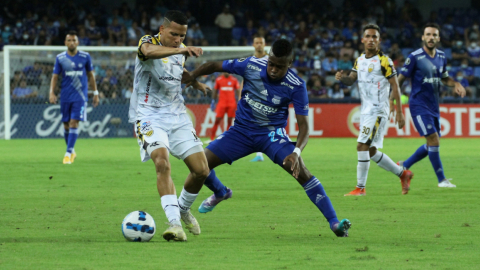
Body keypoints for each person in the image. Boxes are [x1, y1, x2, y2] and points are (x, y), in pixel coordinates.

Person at [183, 39, 352, 237]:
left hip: (271, 135)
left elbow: (304, 127)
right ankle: (221, 192)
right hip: (241, 132)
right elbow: (213, 65)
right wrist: (192, 76)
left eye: (279, 67)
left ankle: (334, 223)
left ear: (289, 65)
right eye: (271, 63)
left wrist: (296, 153)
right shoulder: (252, 65)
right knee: (199, 165)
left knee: (301, 171)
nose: (272, 69)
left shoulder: (296, 85)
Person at [129, 10, 211, 242]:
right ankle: (174, 223)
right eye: (174, 34)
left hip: (177, 116)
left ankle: (183, 208)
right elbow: (149, 52)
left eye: (182, 36)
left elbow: (178, 71)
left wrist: (196, 83)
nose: (178, 39)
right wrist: (182, 49)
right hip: (148, 116)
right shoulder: (148, 42)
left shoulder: (179, 51)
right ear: (162, 29)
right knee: (162, 162)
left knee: (201, 170)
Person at [336, 24, 413, 196]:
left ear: (379, 40)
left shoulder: (384, 61)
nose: (371, 39)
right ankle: (403, 174)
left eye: (374, 37)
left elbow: (395, 86)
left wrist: (399, 111)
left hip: (378, 110)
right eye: (368, 36)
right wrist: (342, 79)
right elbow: (351, 80)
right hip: (365, 111)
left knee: (361, 145)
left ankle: (360, 188)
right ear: (362, 39)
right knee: (370, 151)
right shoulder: (359, 60)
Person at [395, 23, 466, 188]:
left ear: (438, 38)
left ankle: (404, 165)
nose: (431, 38)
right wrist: (394, 103)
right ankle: (441, 180)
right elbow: (399, 80)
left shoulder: (441, 56)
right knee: (433, 140)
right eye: (428, 34)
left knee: (432, 143)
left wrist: (455, 83)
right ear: (423, 37)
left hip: (433, 105)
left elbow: (445, 78)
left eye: (434, 35)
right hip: (418, 104)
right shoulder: (414, 57)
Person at [49, 31, 99, 164]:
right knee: (66, 125)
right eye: (69, 40)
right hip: (65, 96)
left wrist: (95, 93)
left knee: (73, 123)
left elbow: (90, 75)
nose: (71, 42)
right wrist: (51, 93)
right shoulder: (60, 58)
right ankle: (72, 150)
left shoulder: (85, 56)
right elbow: (55, 77)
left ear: (78, 42)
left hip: (80, 96)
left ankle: (67, 154)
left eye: (74, 40)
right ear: (65, 43)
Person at [250, 36, 268, 162]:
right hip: (252, 98)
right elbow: (246, 80)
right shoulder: (249, 61)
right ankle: (259, 154)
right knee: (256, 126)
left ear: (265, 44)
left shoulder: (270, 61)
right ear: (253, 45)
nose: (259, 45)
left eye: (261, 43)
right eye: (257, 43)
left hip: (268, 99)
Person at [209, 73, 240, 142]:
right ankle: (211, 138)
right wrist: (213, 101)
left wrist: (239, 100)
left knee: (229, 121)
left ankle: (227, 138)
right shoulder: (219, 79)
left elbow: (238, 91)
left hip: (231, 104)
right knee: (217, 120)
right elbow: (215, 90)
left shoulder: (234, 80)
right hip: (221, 104)